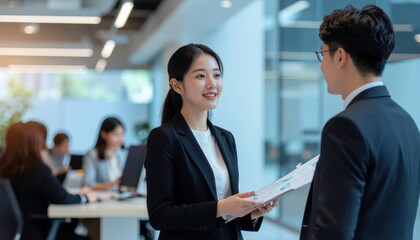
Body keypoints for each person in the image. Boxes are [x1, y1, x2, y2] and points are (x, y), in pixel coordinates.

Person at [301, 5, 420, 240]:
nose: (322, 64)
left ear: (340, 57)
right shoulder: (407, 123)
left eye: (322, 54)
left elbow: (333, 232)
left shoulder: (345, 128)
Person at [144, 43, 279, 240]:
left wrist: (251, 213)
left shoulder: (226, 138)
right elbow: (160, 216)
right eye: (201, 76)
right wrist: (221, 207)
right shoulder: (164, 138)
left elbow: (223, 215)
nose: (212, 84)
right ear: (177, 85)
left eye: (216, 75)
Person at [0, 121, 97, 240]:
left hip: (17, 232)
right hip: (41, 231)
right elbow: (64, 198)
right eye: (41, 143)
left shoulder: (5, 169)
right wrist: (85, 197)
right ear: (34, 146)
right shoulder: (37, 170)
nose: (44, 146)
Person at [82, 116, 126, 191]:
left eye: (122, 134)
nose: (120, 138)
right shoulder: (92, 155)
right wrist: (113, 184)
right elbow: (88, 183)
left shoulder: (123, 153)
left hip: (123, 195)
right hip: (104, 197)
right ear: (104, 134)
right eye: (116, 134)